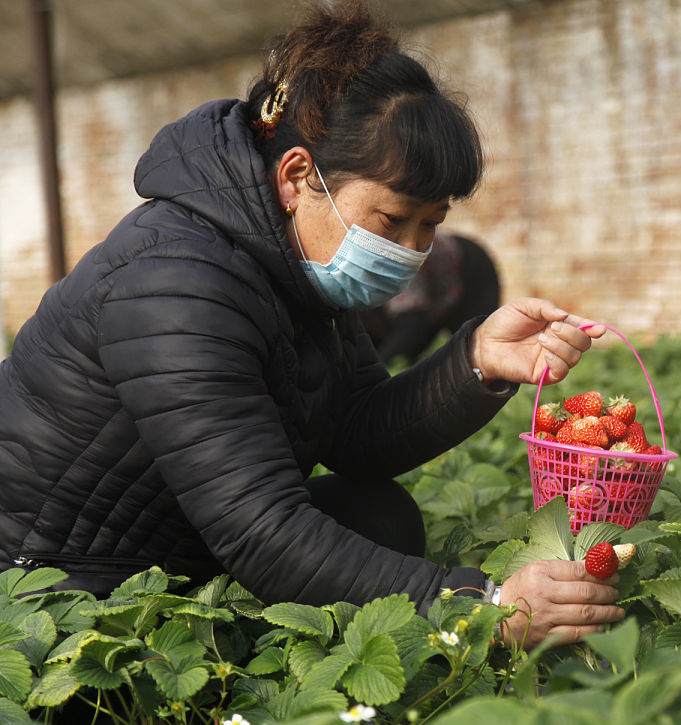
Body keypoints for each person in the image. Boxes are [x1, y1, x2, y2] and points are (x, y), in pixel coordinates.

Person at [0, 0, 622, 648]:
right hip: (50, 579)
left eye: (430, 225)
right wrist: (482, 608)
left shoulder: (292, 262)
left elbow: (352, 432)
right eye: (391, 220)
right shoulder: (177, 285)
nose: (411, 248)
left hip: (172, 539)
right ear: (298, 175)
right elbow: (260, 527)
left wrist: (475, 362)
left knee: (378, 516)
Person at [359, 231, 503, 365]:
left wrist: (380, 365)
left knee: (475, 349)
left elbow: (412, 325)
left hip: (470, 269)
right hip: (423, 299)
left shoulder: (393, 266)